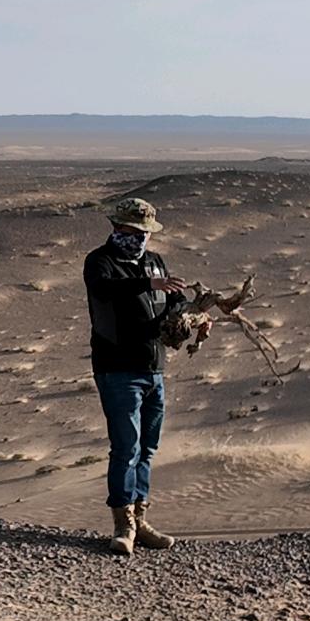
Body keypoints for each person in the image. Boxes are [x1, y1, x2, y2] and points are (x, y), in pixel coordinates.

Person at [83, 197, 187, 556]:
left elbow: (174, 303)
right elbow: (104, 290)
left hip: (153, 369)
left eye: (146, 232)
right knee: (125, 447)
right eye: (135, 231)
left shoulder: (155, 263)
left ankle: (141, 518)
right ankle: (122, 523)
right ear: (118, 228)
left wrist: (192, 315)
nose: (141, 238)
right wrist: (147, 284)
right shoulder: (101, 262)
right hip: (117, 369)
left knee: (147, 448)